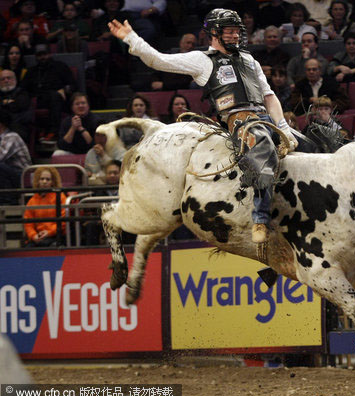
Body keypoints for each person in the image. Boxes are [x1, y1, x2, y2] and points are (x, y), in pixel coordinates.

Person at [109, 8, 298, 244]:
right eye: (230, 32)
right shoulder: (203, 60)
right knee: (262, 147)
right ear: (215, 34)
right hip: (238, 121)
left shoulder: (250, 60)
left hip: (265, 118)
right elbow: (158, 59)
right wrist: (131, 38)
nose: (236, 36)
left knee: (310, 144)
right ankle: (260, 218)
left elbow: (269, 96)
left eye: (237, 31)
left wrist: (284, 127)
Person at [21, 44, 76, 141]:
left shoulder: (60, 66)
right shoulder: (31, 71)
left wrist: (64, 89)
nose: (42, 57)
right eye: (39, 55)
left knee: (54, 96)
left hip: (58, 101)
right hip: (38, 100)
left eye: (44, 54)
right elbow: (23, 88)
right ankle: (38, 132)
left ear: (50, 54)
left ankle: (53, 131)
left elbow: (72, 85)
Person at [23, 167, 66, 247]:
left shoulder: (60, 197)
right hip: (37, 236)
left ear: (53, 182)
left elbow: (63, 222)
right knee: (29, 248)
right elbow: (28, 224)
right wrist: (33, 235)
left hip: (56, 235)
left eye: (48, 179)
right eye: (42, 179)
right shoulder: (32, 201)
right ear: (37, 181)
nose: (44, 181)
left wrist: (49, 232)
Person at [0, 109, 31, 205]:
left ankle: (9, 201)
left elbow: (0, 156)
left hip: (23, 174)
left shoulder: (12, 136)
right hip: (10, 174)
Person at [0, 69, 32, 141]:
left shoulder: (22, 93)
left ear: (15, 80)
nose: (6, 81)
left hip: (17, 129)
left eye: (9, 78)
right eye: (2, 79)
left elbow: (17, 107)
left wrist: (4, 103)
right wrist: (9, 102)